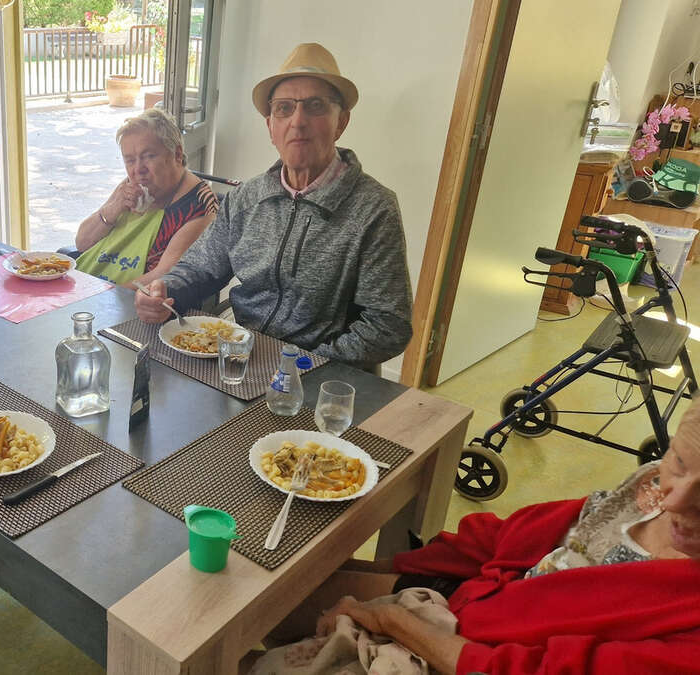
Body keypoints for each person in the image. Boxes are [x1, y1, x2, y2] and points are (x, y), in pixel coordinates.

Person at [253, 404, 700, 675]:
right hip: (469, 603)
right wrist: (385, 569)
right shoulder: (649, 488)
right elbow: (512, 537)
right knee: (270, 596)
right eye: (678, 462)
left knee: (251, 659)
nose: (674, 500)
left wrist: (389, 622)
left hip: (470, 652)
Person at [133, 44, 412, 370]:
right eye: (283, 108)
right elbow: (202, 267)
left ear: (341, 122)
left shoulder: (373, 209)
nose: (298, 121)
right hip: (237, 355)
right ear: (270, 127)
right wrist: (166, 290)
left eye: (315, 106)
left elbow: (388, 324)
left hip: (319, 373)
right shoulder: (245, 198)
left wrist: (309, 363)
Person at [74, 108, 217, 287]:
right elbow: (82, 243)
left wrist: (98, 300)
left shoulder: (199, 205)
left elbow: (165, 275)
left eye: (149, 156)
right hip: (90, 287)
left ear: (177, 155)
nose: (138, 169)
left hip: (134, 303)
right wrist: (113, 209)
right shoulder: (130, 185)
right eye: (130, 160)